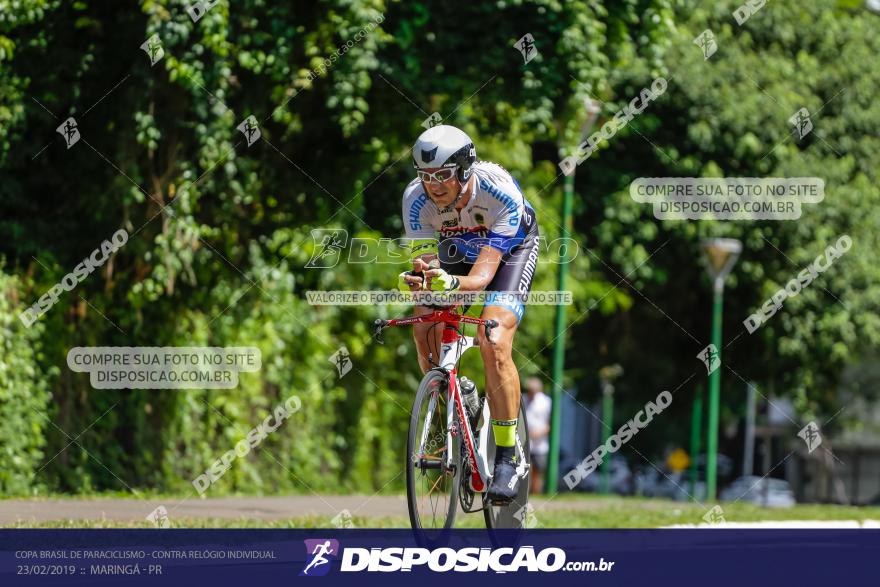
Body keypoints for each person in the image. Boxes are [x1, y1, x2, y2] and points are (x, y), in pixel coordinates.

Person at [398, 125, 539, 503]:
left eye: (442, 175)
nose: (433, 185)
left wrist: (449, 284)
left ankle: (509, 455)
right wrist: (425, 279)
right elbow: (427, 262)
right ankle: (452, 392)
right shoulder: (415, 200)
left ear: (463, 169)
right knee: (425, 320)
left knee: (493, 338)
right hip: (456, 248)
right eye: (425, 176)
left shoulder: (498, 192)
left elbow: (481, 278)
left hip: (508, 252)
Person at [523, 376, 551, 494]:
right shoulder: (522, 399)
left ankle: (536, 494)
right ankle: (525, 493)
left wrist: (537, 433)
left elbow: (548, 424)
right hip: (524, 442)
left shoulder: (546, 402)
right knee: (525, 470)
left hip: (539, 443)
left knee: (537, 471)